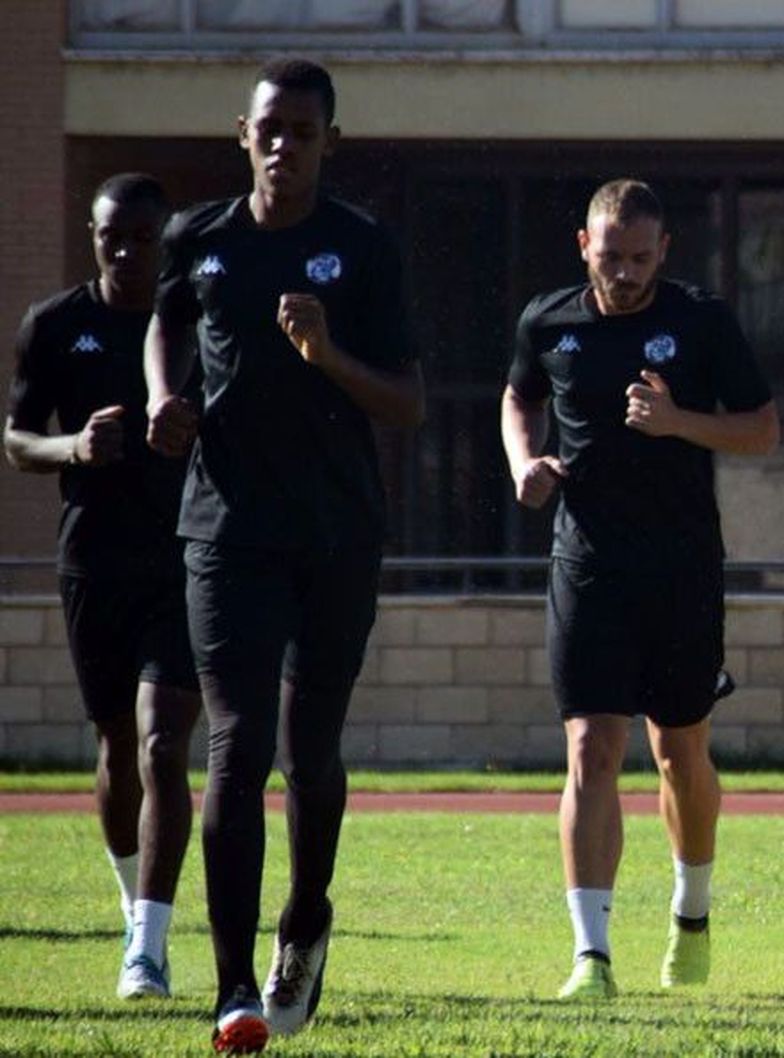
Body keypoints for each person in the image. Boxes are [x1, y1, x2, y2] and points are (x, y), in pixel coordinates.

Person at [144, 58, 424, 1054]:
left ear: (328, 143)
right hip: (225, 530)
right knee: (236, 744)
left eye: (303, 133)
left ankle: (305, 922)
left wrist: (328, 355)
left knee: (311, 754)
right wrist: (161, 398)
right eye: (270, 130)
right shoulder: (200, 238)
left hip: (336, 533)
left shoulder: (363, 247)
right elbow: (165, 321)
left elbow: (407, 402)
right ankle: (232, 988)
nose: (284, 147)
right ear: (244, 133)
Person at [501, 178, 778, 1001]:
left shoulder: (702, 322)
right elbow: (520, 396)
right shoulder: (548, 321)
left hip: (681, 569)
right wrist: (524, 461)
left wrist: (678, 421)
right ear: (583, 247)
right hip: (586, 564)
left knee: (678, 751)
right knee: (591, 747)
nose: (624, 273)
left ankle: (691, 914)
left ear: (665, 251)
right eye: (610, 256)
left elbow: (762, 429)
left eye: (639, 258)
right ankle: (591, 955)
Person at [5, 173, 202, 1002]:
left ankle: (148, 947)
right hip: (92, 560)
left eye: (141, 239)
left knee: (163, 744)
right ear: (92, 236)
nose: (124, 252)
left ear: (165, 242)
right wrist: (73, 450)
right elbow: (18, 439)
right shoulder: (54, 325)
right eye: (109, 237)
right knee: (118, 744)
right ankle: (132, 907)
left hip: (186, 560)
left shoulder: (197, 325)